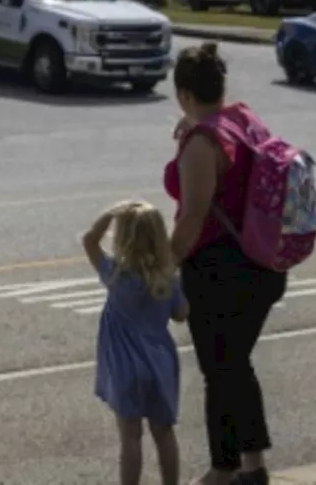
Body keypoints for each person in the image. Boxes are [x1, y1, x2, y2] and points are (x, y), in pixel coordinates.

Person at [164, 42, 287, 485]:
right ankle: (251, 469)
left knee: (221, 369)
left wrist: (163, 266)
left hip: (222, 271)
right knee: (234, 364)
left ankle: (225, 468)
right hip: (264, 263)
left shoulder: (203, 142)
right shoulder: (243, 118)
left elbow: (193, 216)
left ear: (184, 93)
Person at [83, 199, 188, 485]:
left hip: (125, 366)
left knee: (130, 436)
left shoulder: (116, 275)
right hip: (160, 363)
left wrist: (111, 211)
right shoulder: (168, 278)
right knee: (164, 433)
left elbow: (89, 240)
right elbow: (181, 315)